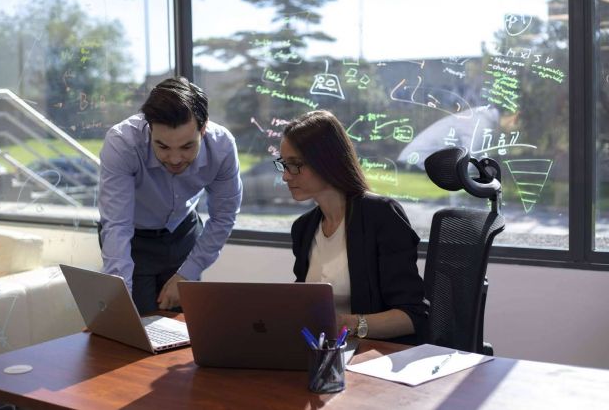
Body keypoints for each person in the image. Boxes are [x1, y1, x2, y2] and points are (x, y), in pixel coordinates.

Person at [275, 110, 427, 343]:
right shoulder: (304, 228)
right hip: (323, 352)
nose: (286, 176)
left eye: (295, 165)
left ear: (326, 161)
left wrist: (351, 324)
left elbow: (413, 316)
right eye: (284, 164)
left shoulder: (381, 215)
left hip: (373, 357)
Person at [98, 76, 242, 314]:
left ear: (203, 129)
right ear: (149, 127)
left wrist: (188, 272)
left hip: (184, 233)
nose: (175, 159)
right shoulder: (122, 142)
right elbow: (116, 225)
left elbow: (223, 216)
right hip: (134, 240)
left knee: (188, 330)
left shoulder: (222, 146)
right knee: (137, 328)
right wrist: (119, 302)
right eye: (162, 146)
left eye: (187, 147)